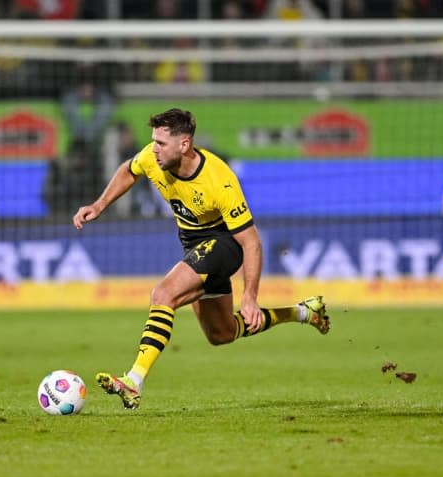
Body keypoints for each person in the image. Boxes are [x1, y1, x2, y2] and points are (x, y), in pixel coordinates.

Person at [73, 108, 330, 410]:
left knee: (163, 294)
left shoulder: (219, 181)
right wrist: (100, 205)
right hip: (194, 245)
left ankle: (134, 380)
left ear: (184, 145)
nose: (153, 149)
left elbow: (251, 243)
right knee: (221, 334)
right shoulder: (152, 158)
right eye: (153, 141)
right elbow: (129, 170)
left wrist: (250, 297)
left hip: (225, 244)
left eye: (161, 143)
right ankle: (304, 312)